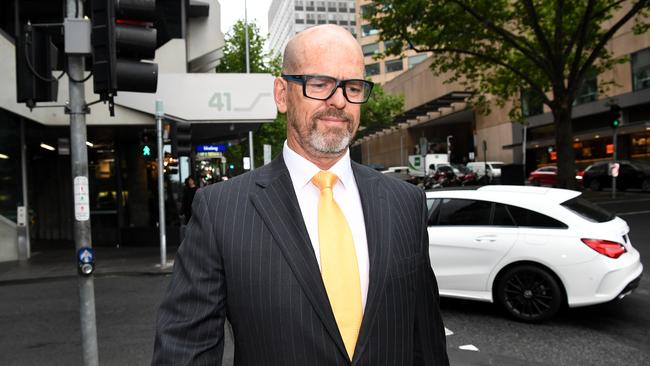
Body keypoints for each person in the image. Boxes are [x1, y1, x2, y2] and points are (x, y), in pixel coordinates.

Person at [152, 24, 449, 365]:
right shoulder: (221, 211)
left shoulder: (405, 203)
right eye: (319, 84)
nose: (339, 101)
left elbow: (426, 342)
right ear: (282, 94)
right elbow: (184, 352)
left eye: (352, 87)